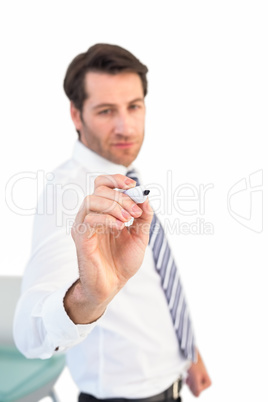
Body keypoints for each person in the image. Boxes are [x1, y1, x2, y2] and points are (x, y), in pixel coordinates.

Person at [14, 43, 211, 401]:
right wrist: (89, 296)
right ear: (76, 115)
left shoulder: (121, 176)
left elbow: (154, 282)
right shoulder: (71, 195)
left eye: (134, 107)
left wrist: (188, 354)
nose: (125, 126)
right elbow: (29, 333)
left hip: (172, 383)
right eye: (106, 111)